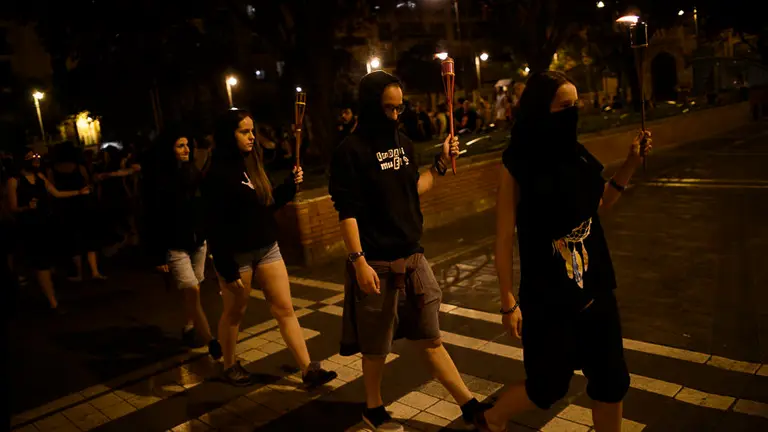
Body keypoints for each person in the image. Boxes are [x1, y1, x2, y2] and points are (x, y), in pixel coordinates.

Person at [475, 71, 652, 432]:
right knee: (547, 386)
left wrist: (632, 162)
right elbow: (504, 236)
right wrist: (508, 300)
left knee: (611, 382)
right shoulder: (517, 163)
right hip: (548, 300)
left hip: (596, 289)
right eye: (564, 107)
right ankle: (492, 417)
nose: (573, 114)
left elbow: (602, 201)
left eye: (576, 105)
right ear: (542, 110)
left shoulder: (577, 155)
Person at [329, 71, 489, 432]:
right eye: (388, 108)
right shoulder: (350, 152)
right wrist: (358, 262)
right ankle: (373, 407)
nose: (396, 115)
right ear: (370, 106)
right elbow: (347, 210)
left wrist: (440, 164)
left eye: (400, 107)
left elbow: (413, 188)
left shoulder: (402, 141)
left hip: (414, 258)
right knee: (376, 346)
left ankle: (469, 404)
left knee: (431, 337)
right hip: (376, 262)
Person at [203, 109, 337, 387]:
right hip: (236, 254)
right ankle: (229, 365)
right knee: (235, 313)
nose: (252, 137)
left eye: (253, 131)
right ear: (229, 135)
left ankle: (307, 369)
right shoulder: (216, 173)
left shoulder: (251, 163)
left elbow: (265, 204)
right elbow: (213, 223)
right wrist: (226, 268)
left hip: (266, 247)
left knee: (284, 308)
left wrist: (289, 188)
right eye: (244, 131)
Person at [145, 128, 222, 357]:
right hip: (175, 245)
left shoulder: (192, 172)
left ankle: (189, 327)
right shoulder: (159, 180)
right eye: (180, 145)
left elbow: (204, 204)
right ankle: (211, 341)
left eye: (188, 144)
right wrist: (158, 256)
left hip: (198, 242)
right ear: (169, 149)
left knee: (194, 290)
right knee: (193, 289)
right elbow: (152, 219)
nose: (187, 149)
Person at [6, 149, 91, 311]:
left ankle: (49, 292)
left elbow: (57, 193)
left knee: (48, 261)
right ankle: (52, 301)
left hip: (46, 224)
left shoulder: (40, 177)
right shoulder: (14, 181)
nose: (36, 162)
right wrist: (26, 207)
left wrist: (78, 192)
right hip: (30, 227)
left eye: (38, 159)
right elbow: (13, 207)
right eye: (33, 159)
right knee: (41, 263)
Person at [47, 142, 106, 281]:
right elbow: (88, 184)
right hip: (84, 206)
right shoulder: (80, 168)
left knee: (73, 242)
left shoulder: (52, 170)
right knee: (89, 239)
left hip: (65, 207)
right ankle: (94, 271)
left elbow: (52, 190)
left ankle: (78, 273)